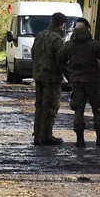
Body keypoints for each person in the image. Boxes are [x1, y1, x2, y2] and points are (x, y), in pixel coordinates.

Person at [58, 18, 100, 147]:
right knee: (97, 109)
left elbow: (60, 60)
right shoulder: (94, 44)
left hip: (77, 82)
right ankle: (99, 138)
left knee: (78, 110)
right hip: (93, 82)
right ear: (88, 29)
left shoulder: (69, 45)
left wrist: (69, 75)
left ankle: (80, 140)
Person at [31, 12, 68, 146]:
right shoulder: (57, 39)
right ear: (62, 24)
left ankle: (38, 136)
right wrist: (69, 77)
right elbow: (61, 60)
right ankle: (46, 136)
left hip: (39, 76)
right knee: (50, 107)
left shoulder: (40, 35)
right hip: (52, 79)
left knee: (39, 106)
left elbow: (33, 54)